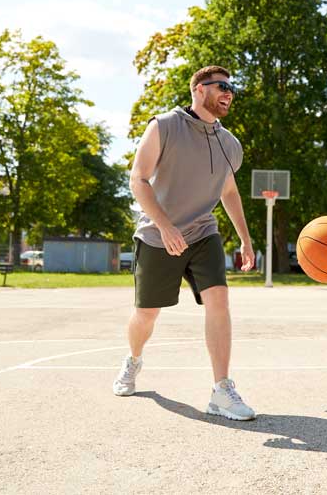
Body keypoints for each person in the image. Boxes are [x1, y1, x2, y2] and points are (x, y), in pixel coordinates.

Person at [112, 65, 257, 421]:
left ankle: (222, 390)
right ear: (198, 89)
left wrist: (245, 239)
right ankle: (132, 361)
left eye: (231, 87)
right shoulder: (163, 126)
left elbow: (228, 190)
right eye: (221, 86)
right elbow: (138, 179)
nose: (228, 92)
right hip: (157, 235)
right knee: (146, 315)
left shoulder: (229, 144)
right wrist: (164, 226)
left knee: (219, 301)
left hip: (202, 233)